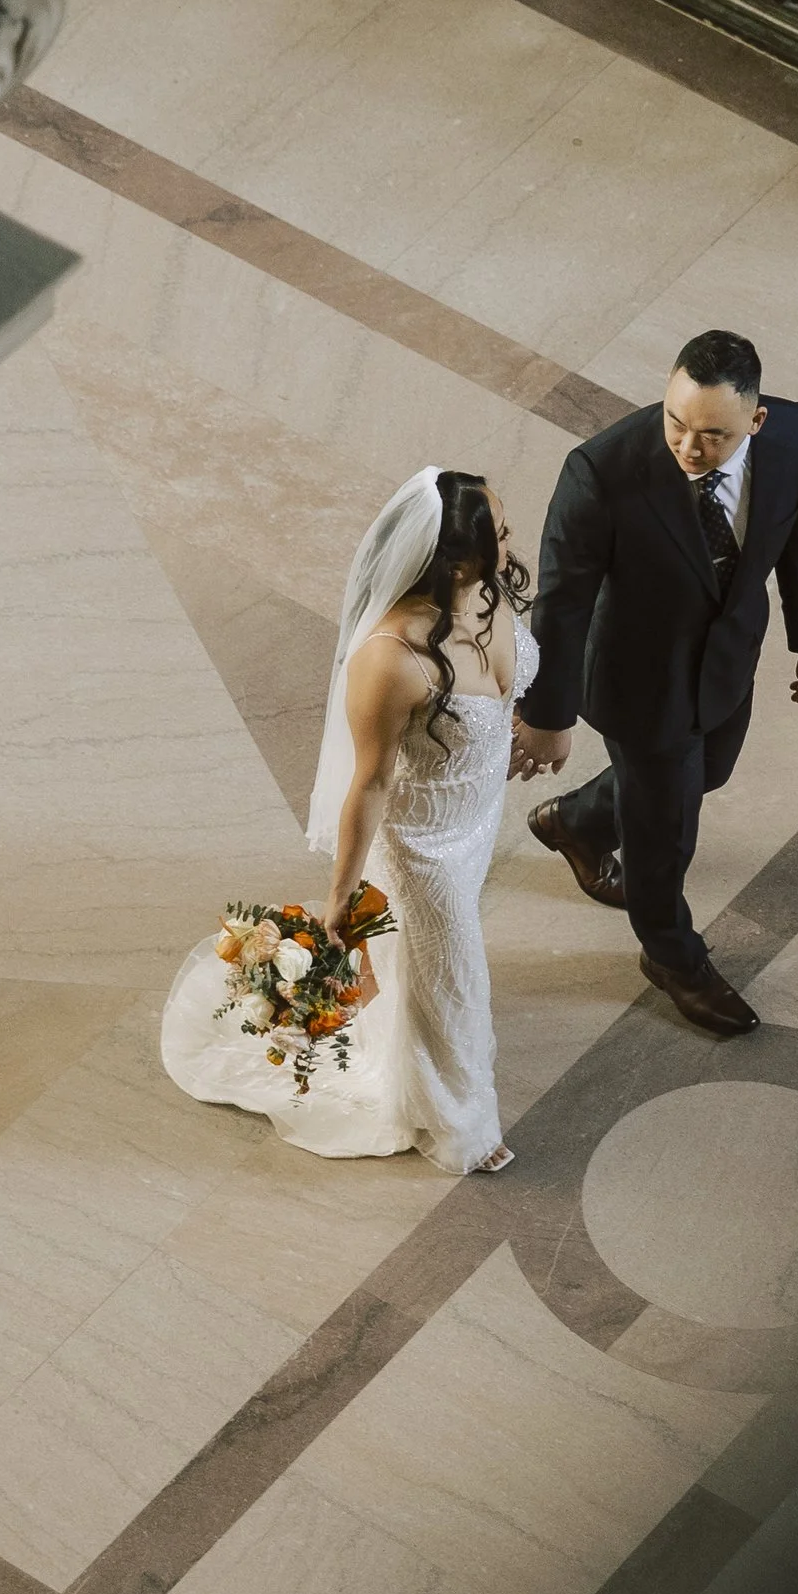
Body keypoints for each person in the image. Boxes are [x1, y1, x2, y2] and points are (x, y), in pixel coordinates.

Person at [160, 467, 529, 1173]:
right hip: (424, 848)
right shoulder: (390, 660)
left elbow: (514, 677)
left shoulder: (485, 589)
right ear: (454, 560)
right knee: (456, 974)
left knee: (424, 971)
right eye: (500, 536)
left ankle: (407, 1042)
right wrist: (343, 897)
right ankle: (462, 1124)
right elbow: (371, 782)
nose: (512, 545)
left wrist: (531, 728)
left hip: (476, 818)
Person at [516, 328, 798, 1036]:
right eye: (676, 422)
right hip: (640, 680)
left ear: (756, 420)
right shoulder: (600, 471)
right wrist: (548, 712)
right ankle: (670, 954)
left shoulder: (794, 438)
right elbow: (562, 601)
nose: (690, 448)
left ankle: (576, 820)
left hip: (726, 663)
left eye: (714, 435)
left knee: (705, 775)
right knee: (666, 833)